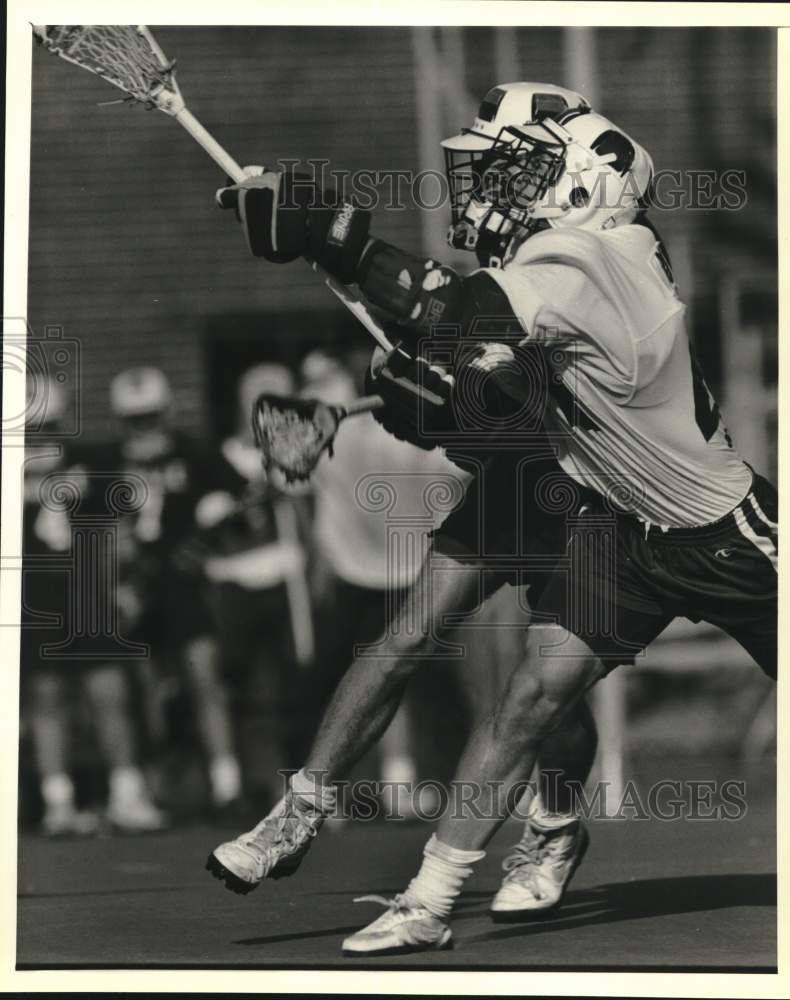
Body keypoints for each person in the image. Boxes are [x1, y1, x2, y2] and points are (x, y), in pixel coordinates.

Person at [207, 81, 776, 955]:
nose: (486, 195)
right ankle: (419, 892)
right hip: (621, 526)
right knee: (521, 689)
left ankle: (550, 826)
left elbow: (457, 322)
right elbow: (486, 367)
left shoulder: (593, 257)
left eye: (512, 176)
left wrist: (339, 239)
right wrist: (420, 378)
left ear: (584, 179)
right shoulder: (560, 261)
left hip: (720, 532)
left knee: (534, 696)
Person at [22, 374, 164, 834]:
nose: (39, 436)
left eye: (47, 426)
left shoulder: (88, 462)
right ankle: (57, 801)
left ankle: (126, 794)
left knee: (109, 692)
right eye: (32, 428)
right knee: (48, 698)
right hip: (35, 597)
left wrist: (121, 583)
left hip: (86, 591)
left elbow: (117, 528)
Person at [109, 366, 247, 814]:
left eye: (150, 416)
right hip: (134, 587)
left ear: (166, 412)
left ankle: (227, 784)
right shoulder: (109, 462)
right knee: (145, 692)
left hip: (185, 585)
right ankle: (155, 788)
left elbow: (247, 499)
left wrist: (211, 537)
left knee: (204, 680)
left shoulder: (195, 454)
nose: (143, 426)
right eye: (134, 418)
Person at [204, 362, 315, 805]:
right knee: (249, 688)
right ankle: (256, 785)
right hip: (235, 584)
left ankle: (304, 786)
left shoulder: (298, 459)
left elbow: (310, 524)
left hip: (287, 583)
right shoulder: (218, 460)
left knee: (297, 688)